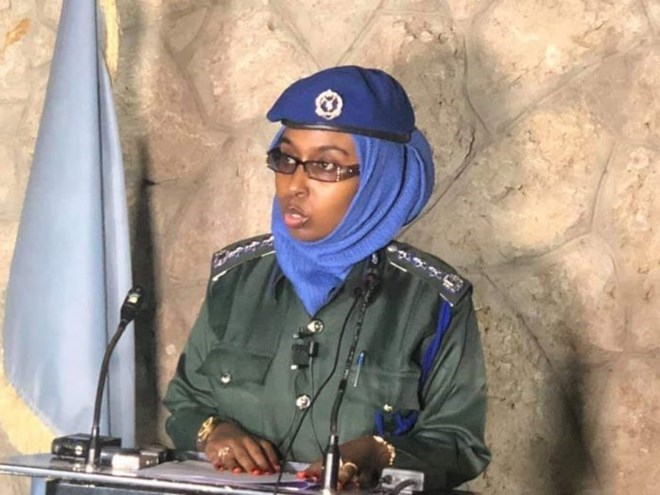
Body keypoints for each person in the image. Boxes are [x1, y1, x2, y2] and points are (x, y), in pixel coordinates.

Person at [163, 65, 491, 490]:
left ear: (378, 177)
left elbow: (459, 443)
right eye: (286, 159)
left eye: (325, 166)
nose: (294, 186)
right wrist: (214, 433)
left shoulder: (431, 300)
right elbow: (187, 401)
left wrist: (379, 452)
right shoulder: (236, 279)